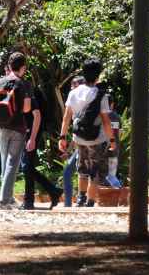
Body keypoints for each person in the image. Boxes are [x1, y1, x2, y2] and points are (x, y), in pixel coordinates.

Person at [58, 59, 114, 208]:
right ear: (98, 75)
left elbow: (66, 117)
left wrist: (62, 137)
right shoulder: (100, 94)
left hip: (79, 138)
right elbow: (106, 121)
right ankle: (90, 202)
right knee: (94, 171)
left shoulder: (73, 92)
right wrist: (112, 140)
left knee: (82, 169)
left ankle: (80, 199)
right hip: (97, 138)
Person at [0, 52, 33, 210]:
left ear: (9, 65)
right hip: (18, 128)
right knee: (12, 163)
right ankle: (4, 199)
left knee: (4, 161)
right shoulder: (23, 84)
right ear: (22, 68)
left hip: (2, 126)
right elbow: (27, 108)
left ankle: (6, 197)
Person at [21, 84, 63, 210]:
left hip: (32, 131)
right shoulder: (19, 87)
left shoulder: (27, 89)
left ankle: (29, 201)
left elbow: (37, 115)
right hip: (26, 131)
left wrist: (32, 138)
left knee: (26, 166)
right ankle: (53, 191)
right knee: (27, 167)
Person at [60, 75, 85, 207]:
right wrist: (69, 150)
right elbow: (77, 134)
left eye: (73, 85)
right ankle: (73, 202)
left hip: (86, 144)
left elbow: (66, 118)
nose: (71, 89)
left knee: (77, 172)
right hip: (82, 143)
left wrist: (62, 137)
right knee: (71, 172)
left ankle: (78, 201)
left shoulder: (78, 101)